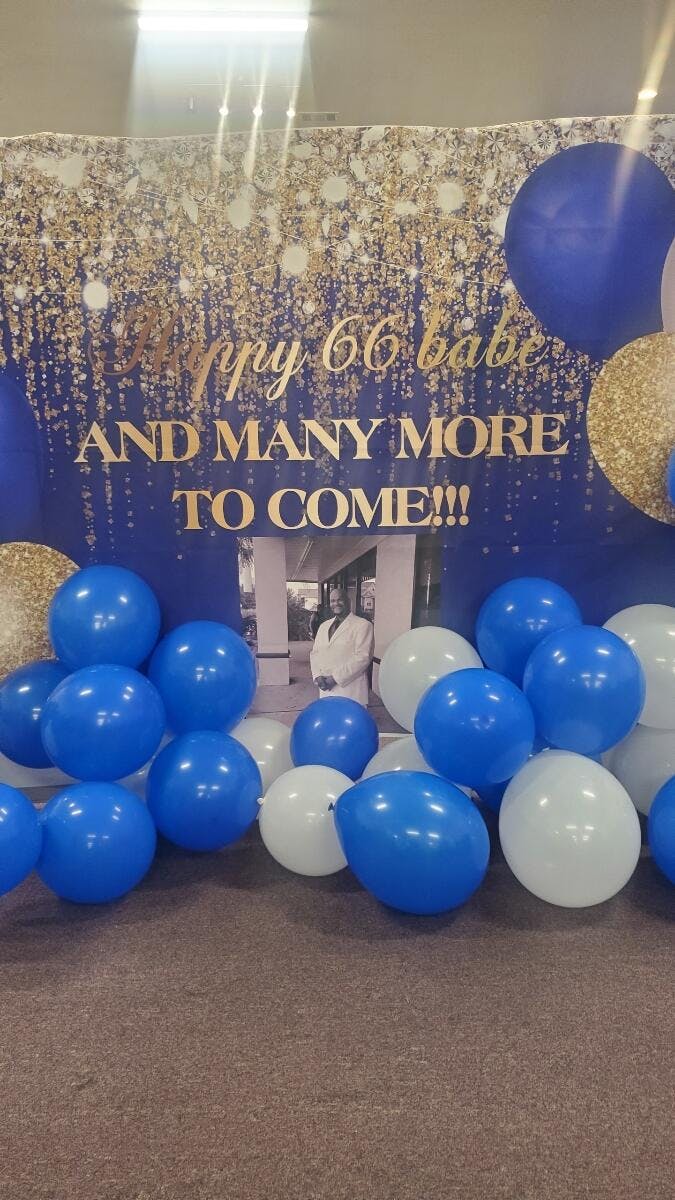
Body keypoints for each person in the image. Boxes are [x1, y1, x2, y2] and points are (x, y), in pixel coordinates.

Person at [310, 588, 374, 705]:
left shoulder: (363, 625)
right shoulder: (324, 626)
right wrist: (317, 676)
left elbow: (362, 658)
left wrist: (335, 678)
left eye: (340, 600)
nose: (336, 603)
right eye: (332, 601)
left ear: (348, 601)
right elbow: (315, 653)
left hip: (350, 691)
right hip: (326, 690)